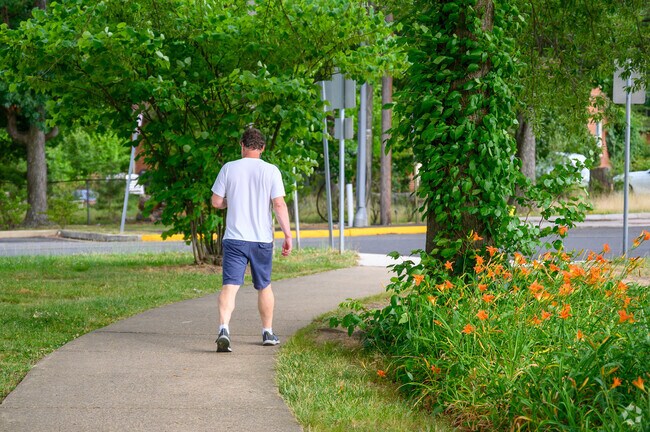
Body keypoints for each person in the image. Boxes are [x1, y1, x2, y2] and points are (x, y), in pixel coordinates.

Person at [210, 127, 292, 353]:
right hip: (261, 240)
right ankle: (267, 332)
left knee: (230, 286)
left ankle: (224, 329)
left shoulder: (229, 168)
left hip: (235, 238)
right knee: (264, 286)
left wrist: (230, 201)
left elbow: (216, 202)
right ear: (263, 148)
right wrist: (287, 234)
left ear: (242, 146)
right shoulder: (271, 170)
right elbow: (278, 204)